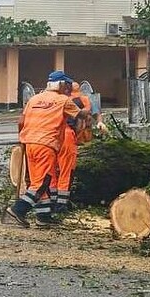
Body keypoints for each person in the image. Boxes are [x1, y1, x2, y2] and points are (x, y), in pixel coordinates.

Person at [3, 71, 85, 228]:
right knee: (42, 182)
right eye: (67, 85)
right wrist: (92, 114)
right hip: (45, 144)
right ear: (61, 84)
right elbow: (79, 115)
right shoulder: (63, 100)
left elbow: (21, 121)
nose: (68, 89)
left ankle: (43, 216)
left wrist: (22, 138)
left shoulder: (34, 99)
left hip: (29, 144)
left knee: (37, 181)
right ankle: (16, 211)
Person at [53, 80, 102, 215]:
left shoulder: (57, 99)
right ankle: (61, 205)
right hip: (68, 136)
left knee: (52, 170)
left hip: (52, 136)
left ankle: (50, 203)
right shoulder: (81, 101)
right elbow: (87, 117)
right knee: (66, 171)